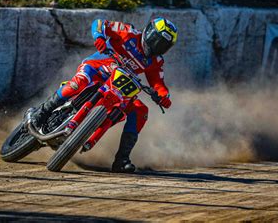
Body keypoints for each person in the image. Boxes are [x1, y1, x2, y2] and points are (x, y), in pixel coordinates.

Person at [25, 17, 178, 173]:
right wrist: (99, 37)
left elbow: (158, 83)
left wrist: (163, 96)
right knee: (78, 83)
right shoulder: (128, 32)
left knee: (140, 111)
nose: (156, 46)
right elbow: (100, 23)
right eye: (156, 40)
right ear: (148, 31)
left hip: (120, 87)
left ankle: (121, 160)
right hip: (97, 69)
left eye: (163, 45)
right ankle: (42, 112)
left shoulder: (156, 61)